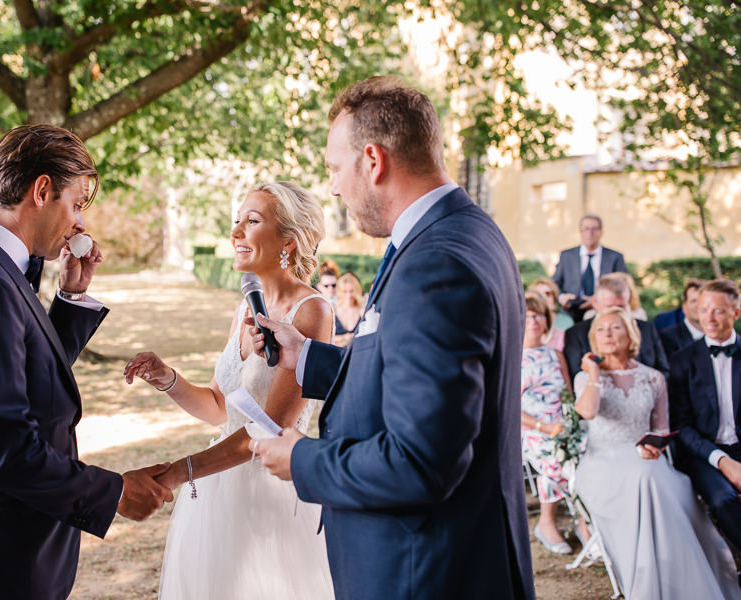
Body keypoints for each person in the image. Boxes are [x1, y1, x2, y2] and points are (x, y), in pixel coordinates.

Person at [249, 76, 534, 599]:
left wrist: (303, 459)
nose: (333, 187)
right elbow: (412, 371)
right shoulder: (467, 230)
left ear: (373, 161)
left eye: (336, 169)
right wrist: (307, 355)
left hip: (425, 571)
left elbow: (422, 461)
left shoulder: (435, 263)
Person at [0, 124, 173, 600]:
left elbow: (29, 380)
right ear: (41, 190)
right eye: (75, 204)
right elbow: (4, 451)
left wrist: (71, 298)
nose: (79, 223)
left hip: (4, 549)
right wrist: (114, 493)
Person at [124, 181, 335, 599]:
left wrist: (177, 473)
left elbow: (269, 426)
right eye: (236, 220)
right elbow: (221, 407)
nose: (235, 232)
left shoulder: (311, 311)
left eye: (251, 221)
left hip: (269, 494)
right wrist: (168, 378)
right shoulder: (245, 306)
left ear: (287, 243)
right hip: (218, 491)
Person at [574, 307, 739, 599]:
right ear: (593, 338)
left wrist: (655, 446)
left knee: (667, 483)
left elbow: (662, 429)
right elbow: (587, 411)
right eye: (600, 330)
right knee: (647, 480)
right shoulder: (585, 377)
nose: (608, 335)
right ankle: (648, 581)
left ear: (631, 334)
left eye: (615, 328)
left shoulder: (653, 378)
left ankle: (678, 578)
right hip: (602, 464)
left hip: (647, 461)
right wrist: (595, 372)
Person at [668, 278, 741, 551]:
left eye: (719, 310)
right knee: (723, 500)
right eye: (703, 309)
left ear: (736, 313)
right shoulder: (682, 360)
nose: (708, 317)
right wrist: (724, 462)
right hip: (705, 453)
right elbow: (682, 426)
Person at [520, 292, 589, 553]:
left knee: (589, 455)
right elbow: (507, 407)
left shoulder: (555, 354)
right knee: (556, 460)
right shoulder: (509, 357)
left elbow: (569, 395)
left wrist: (569, 424)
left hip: (562, 424)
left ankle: (584, 522)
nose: (533, 320)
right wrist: (544, 427)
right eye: (527, 315)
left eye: (538, 314)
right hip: (529, 428)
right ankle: (546, 522)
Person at [563, 273, 668, 381]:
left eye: (621, 306)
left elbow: (663, 371)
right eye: (609, 307)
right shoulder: (576, 334)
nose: (615, 312)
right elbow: (574, 377)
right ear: (595, 302)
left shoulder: (646, 329)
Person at [551, 215, 627, 322]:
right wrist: (562, 297)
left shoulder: (614, 257)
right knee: (558, 332)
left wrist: (599, 299)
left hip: (603, 312)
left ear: (600, 232)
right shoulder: (567, 256)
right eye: (585, 229)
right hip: (570, 312)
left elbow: (624, 287)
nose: (590, 233)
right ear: (580, 232)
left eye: (594, 229)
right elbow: (554, 284)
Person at [659, 278, 704, 356]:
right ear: (684, 308)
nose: (699, 305)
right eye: (694, 301)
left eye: (703, 300)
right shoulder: (666, 338)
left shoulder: (719, 336)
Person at [528, 277, 573, 351]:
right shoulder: (531, 322)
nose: (546, 297)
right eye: (540, 295)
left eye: (548, 293)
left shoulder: (566, 321)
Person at [333, 271, 364, 346]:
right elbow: (325, 338)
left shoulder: (362, 311)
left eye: (351, 291)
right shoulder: (333, 311)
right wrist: (344, 338)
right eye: (345, 292)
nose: (348, 295)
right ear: (339, 292)